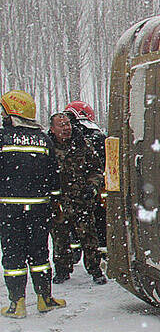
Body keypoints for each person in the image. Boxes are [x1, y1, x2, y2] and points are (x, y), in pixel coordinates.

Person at [0, 91, 66, 317]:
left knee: (13, 254)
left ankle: (16, 303)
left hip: (9, 209)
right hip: (39, 208)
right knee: (39, 253)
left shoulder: (3, 138)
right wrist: (55, 201)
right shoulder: (43, 139)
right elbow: (53, 175)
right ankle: (44, 299)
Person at [48, 112, 106, 285]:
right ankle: (62, 270)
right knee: (59, 238)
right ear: (52, 129)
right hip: (58, 202)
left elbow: (96, 170)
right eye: (61, 125)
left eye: (67, 124)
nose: (66, 128)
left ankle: (95, 269)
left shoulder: (83, 145)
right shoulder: (48, 147)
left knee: (89, 236)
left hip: (81, 200)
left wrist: (92, 187)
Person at [63, 101, 107, 250]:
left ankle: (84, 249)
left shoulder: (93, 139)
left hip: (89, 190)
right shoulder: (97, 138)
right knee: (94, 225)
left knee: (90, 224)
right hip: (91, 190)